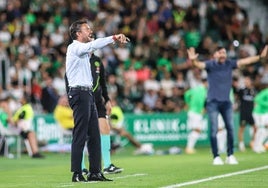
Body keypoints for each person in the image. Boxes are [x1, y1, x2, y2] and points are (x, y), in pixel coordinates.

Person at [65, 19, 129, 182]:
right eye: (87, 29)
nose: (90, 31)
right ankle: (77, 173)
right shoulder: (75, 47)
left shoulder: (85, 51)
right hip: (79, 93)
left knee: (94, 134)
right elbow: (92, 45)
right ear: (78, 34)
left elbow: (94, 45)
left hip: (88, 94)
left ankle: (95, 171)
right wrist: (113, 38)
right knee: (80, 133)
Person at [187, 45, 268, 165]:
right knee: (214, 129)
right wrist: (193, 60)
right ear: (215, 55)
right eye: (220, 52)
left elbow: (245, 61)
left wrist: (260, 57)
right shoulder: (210, 65)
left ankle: (230, 155)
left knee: (230, 129)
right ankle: (216, 156)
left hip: (226, 103)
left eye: (224, 52)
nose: (223, 54)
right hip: (212, 102)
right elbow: (198, 65)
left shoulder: (229, 64)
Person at [90, 53, 123, 174]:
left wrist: (107, 99)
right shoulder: (78, 56)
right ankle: (81, 167)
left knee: (105, 129)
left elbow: (102, 82)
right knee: (82, 133)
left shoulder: (97, 60)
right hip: (85, 99)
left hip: (98, 101)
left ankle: (107, 165)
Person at [12, 94, 44, 158]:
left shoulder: (25, 108)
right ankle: (35, 152)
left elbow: (19, 119)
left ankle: (34, 152)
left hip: (19, 128)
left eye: (21, 99)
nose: (20, 100)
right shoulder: (25, 108)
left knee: (31, 134)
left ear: (24, 100)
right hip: (18, 128)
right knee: (31, 134)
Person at [184, 78, 207, 154]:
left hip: (191, 111)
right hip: (197, 112)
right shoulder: (203, 91)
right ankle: (189, 148)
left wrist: (188, 103)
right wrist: (202, 108)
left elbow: (186, 94)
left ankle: (189, 147)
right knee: (197, 130)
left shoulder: (195, 89)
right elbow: (201, 101)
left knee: (195, 130)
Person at [237, 76, 257, 151]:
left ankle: (253, 142)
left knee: (255, 128)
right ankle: (241, 144)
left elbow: (255, 100)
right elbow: (237, 95)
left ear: (250, 82)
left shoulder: (253, 91)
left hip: (251, 113)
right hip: (243, 113)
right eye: (245, 81)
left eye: (247, 81)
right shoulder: (242, 90)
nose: (246, 82)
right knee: (242, 129)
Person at [252, 87, 268, 153]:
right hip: (259, 113)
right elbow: (256, 99)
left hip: (264, 113)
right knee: (261, 129)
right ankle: (256, 146)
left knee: (264, 130)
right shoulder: (266, 92)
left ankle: (259, 145)